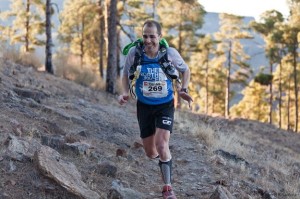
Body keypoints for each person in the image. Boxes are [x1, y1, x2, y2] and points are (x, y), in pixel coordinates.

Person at [118, 19, 192, 199]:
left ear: (160, 36)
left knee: (161, 144)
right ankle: (164, 159)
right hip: (144, 106)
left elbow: (186, 70)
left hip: (165, 105)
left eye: (152, 36)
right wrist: (125, 92)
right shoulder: (136, 53)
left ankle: (168, 188)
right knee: (151, 152)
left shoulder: (170, 54)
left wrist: (183, 89)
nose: (148, 40)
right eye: (145, 36)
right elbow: (125, 75)